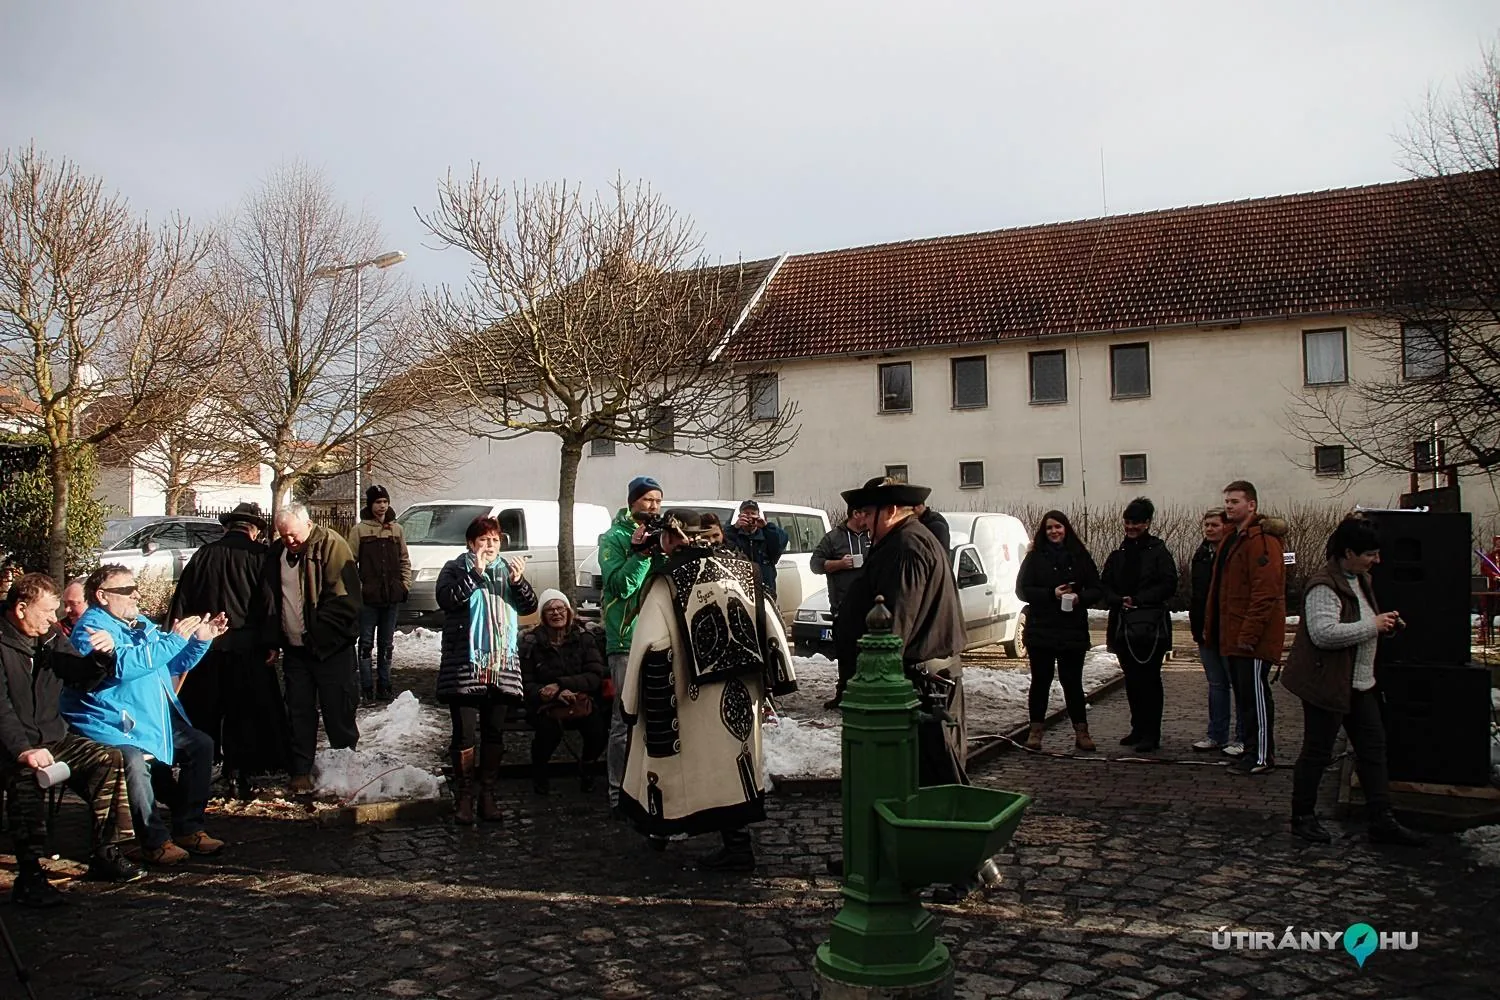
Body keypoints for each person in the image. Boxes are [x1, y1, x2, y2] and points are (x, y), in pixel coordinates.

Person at [619, 509, 796, 872]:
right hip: (740, 690)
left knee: (679, 764)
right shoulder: (744, 570)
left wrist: (631, 701)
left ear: (673, 537)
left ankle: (661, 830)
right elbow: (771, 625)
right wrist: (779, 677)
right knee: (733, 764)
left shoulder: (666, 581)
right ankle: (737, 845)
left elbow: (649, 642)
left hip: (686, 694)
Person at [65, 565, 228, 865]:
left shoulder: (139, 624)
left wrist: (201, 640)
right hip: (111, 722)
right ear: (102, 596)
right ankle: (153, 841)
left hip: (149, 716)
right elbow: (122, 666)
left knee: (201, 745)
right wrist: (174, 640)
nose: (136, 595)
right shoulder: (91, 630)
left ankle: (188, 827)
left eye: (135, 587)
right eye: (127, 590)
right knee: (133, 760)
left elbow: (171, 662)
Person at [1280, 516, 1426, 847]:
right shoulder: (1323, 586)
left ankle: (1382, 820)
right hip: (1327, 684)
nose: (1377, 560)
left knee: (1373, 750)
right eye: (1370, 554)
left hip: (1361, 683)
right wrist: (1374, 625)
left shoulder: (1361, 579)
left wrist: (1384, 625)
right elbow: (1324, 634)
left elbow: (1360, 623)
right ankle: (1302, 817)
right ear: (1349, 552)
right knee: (1317, 752)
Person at [1, 572, 142, 903]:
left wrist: (102, 656)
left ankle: (105, 851)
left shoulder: (50, 636)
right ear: (20, 608)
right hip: (11, 744)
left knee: (110, 758)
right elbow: (1, 708)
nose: (54, 619)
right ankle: (30, 875)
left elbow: (79, 675)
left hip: (53, 737)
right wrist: (23, 750)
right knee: (27, 778)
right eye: (47, 611)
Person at [835, 478, 967, 785]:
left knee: (931, 781)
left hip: (918, 688)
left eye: (868, 513)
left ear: (891, 510)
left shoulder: (906, 546)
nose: (862, 522)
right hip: (917, 683)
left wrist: (876, 683)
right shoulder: (902, 540)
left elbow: (895, 624)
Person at [170, 502, 289, 800]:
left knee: (206, 709)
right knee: (244, 713)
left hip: (206, 646)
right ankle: (240, 773)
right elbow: (269, 601)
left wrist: (178, 639)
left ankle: (205, 767)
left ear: (227, 527)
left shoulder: (204, 554)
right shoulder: (259, 556)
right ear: (254, 530)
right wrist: (271, 642)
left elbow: (182, 598)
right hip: (247, 647)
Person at [436, 516, 537, 825]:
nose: (490, 545)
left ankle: (487, 795)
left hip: (501, 664)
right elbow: (446, 600)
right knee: (464, 733)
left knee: (494, 733)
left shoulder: (507, 571)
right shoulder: (455, 568)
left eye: (495, 540)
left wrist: (518, 582)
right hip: (465, 663)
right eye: (484, 540)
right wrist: (476, 573)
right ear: (471, 543)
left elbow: (529, 606)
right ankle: (464, 796)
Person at [260, 504, 362, 794]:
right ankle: (301, 770)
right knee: (299, 712)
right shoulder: (277, 553)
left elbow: (346, 601)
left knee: (338, 711)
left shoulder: (332, 546)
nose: (289, 540)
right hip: (295, 650)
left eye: (293, 534)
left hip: (331, 649)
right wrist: (273, 639)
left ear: (308, 524)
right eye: (283, 535)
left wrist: (319, 634)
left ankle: (345, 771)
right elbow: (271, 600)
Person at [1205, 480, 1288, 776]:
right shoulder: (1234, 539)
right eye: (1227, 501)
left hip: (1251, 640)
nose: (1229, 506)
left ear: (1251, 505)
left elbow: (1265, 593)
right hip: (1235, 636)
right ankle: (1251, 751)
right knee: (1245, 699)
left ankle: (1262, 755)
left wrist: (1250, 635)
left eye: (1235, 501)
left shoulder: (1261, 541)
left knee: (1255, 699)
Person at [598, 475, 666, 816]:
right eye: (648, 500)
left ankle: (651, 789)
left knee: (658, 718)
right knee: (624, 720)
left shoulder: (662, 535)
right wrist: (640, 554)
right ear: (632, 502)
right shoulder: (613, 537)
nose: (653, 507)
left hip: (661, 636)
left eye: (658, 500)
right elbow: (621, 586)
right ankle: (617, 791)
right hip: (626, 638)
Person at [1018, 511, 1102, 752]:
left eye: (1058, 527)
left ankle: (1082, 732)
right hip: (1041, 629)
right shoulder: (1034, 558)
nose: (1054, 531)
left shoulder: (1080, 556)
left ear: (1066, 529)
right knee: (1040, 682)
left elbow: (1097, 589)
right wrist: (1050, 594)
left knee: (1072, 683)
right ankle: (1035, 731)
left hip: (1072, 629)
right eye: (1049, 528)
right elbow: (1022, 590)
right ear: (1043, 532)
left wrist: (1079, 597)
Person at [1100, 497, 1178, 753]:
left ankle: (1151, 732)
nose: (1131, 527)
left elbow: (1169, 584)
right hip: (1123, 625)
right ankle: (1138, 728)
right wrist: (1117, 599)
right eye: (1128, 522)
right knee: (1132, 679)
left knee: (1150, 679)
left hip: (1150, 626)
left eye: (1136, 522)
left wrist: (1140, 600)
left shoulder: (1158, 552)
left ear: (1147, 523)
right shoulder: (1118, 554)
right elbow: (1105, 585)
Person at [519, 589, 607, 796]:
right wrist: (547, 693)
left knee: (598, 731)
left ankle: (587, 767)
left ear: (568, 612)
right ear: (543, 615)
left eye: (560, 608)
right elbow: (525, 681)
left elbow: (595, 674)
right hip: (545, 703)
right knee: (548, 731)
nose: (556, 613)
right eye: (550, 610)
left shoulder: (584, 638)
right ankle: (540, 771)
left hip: (578, 699)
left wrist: (562, 685)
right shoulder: (531, 642)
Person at [347, 484, 411, 702]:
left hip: (391, 596)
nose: (382, 506)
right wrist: (359, 589)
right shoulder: (359, 530)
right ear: (370, 504)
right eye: (378, 502)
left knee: (387, 644)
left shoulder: (397, 529)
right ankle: (366, 687)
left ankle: (385, 684)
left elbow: (404, 560)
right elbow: (349, 564)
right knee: (366, 644)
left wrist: (404, 585)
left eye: (385, 502)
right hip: (368, 599)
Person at [1189, 509, 1245, 755]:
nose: (1209, 529)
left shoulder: (1234, 553)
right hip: (1206, 629)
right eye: (1207, 525)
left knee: (1238, 684)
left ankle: (1243, 736)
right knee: (1216, 684)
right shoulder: (1202, 554)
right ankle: (1216, 734)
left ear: (1226, 527)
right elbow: (1198, 594)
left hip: (1228, 629)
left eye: (1214, 525)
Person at [811, 506, 872, 709]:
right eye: (866, 513)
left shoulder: (874, 534)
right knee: (846, 655)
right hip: (843, 606)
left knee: (870, 653)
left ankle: (867, 694)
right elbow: (815, 564)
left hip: (871, 607)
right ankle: (844, 694)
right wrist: (839, 564)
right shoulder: (833, 538)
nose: (869, 517)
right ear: (856, 514)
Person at [724, 499, 790, 601]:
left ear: (759, 515)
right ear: (740, 516)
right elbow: (721, 543)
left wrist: (766, 526)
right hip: (739, 591)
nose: (750, 517)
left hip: (765, 591)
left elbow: (782, 540)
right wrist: (735, 528)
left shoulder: (767, 535)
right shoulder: (734, 535)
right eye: (746, 513)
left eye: (753, 513)